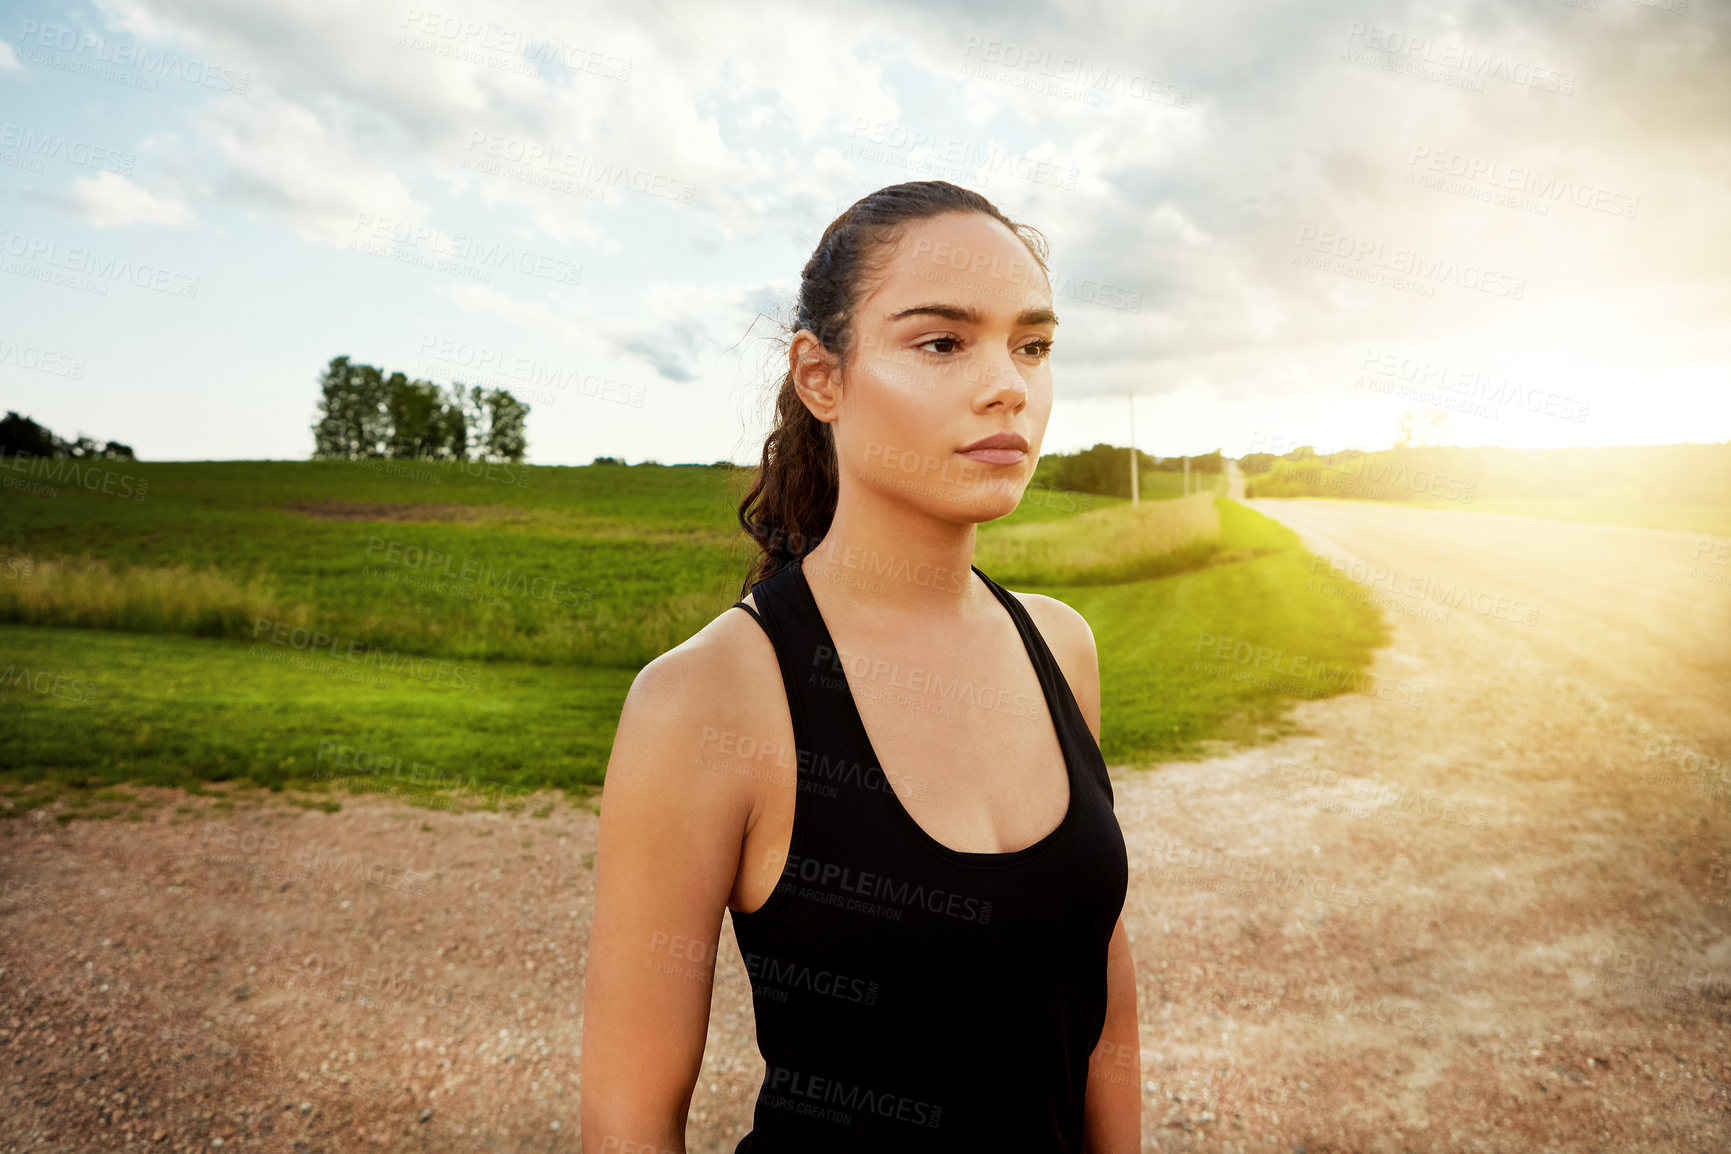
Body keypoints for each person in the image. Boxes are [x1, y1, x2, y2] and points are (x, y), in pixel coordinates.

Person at [580, 181, 1138, 1153]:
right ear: (820, 376)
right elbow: (627, 1119)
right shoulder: (707, 695)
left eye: (1033, 345)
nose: (1008, 382)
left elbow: (1101, 1018)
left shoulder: (1063, 645)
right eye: (942, 342)